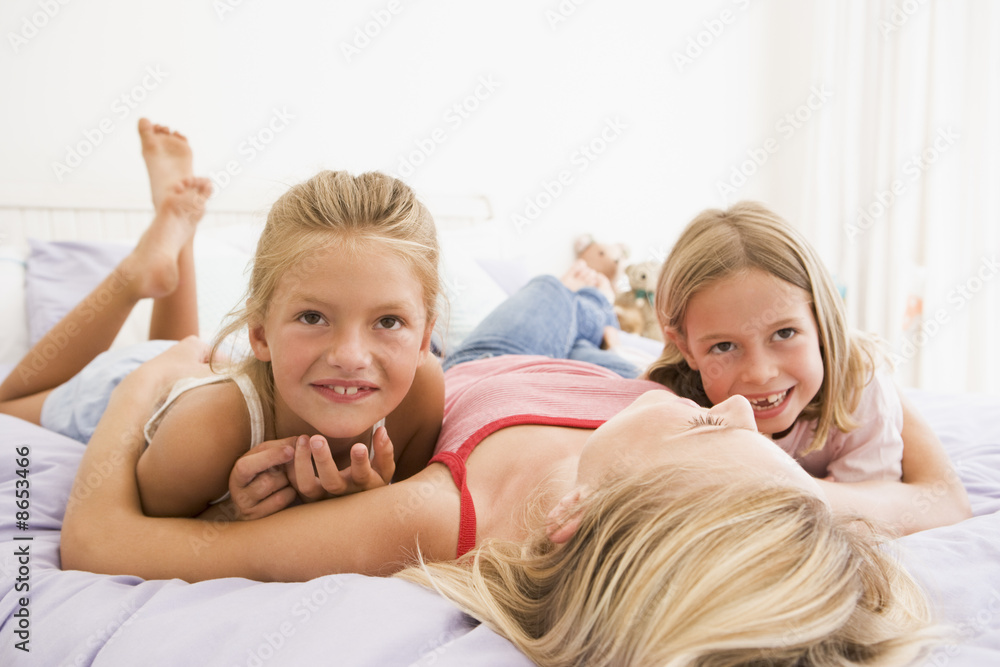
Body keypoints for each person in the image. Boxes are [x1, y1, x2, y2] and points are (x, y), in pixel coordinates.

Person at [61, 271, 939, 666]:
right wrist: (882, 378)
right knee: (567, 297)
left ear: (580, 513)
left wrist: (146, 385)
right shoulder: (770, 501)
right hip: (593, 370)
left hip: (475, 363)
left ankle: (160, 274)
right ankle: (593, 291)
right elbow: (937, 497)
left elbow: (102, 539)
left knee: (536, 298)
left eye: (707, 426)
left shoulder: (442, 515)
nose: (741, 407)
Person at [0, 118, 445, 519]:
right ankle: (135, 276)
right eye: (313, 317)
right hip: (134, 386)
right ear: (260, 333)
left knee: (182, 342)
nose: (350, 357)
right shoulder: (205, 435)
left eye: (388, 322)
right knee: (8, 403)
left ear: (425, 338)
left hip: (213, 363)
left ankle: (179, 234)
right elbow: (154, 532)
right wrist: (232, 513)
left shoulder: (421, 390)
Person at [645, 201, 970, 533]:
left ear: (821, 323)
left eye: (784, 333)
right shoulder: (666, 398)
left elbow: (869, 518)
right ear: (685, 347)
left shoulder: (859, 386)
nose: (760, 372)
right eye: (723, 346)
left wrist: (768, 484)